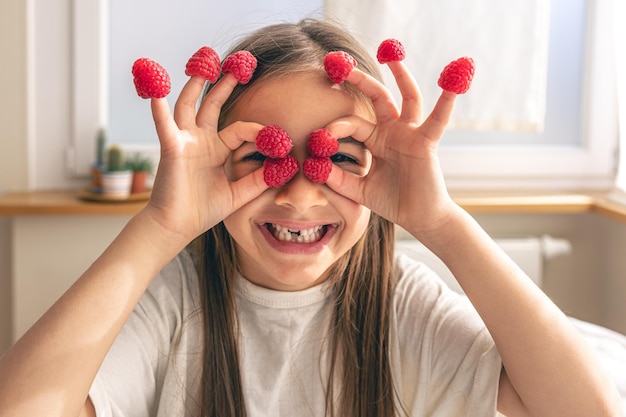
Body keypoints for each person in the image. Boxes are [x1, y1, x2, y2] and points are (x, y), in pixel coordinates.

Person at [0, 18, 621, 417]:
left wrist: (442, 223)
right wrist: (160, 227)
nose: (299, 197)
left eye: (336, 159)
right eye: (260, 158)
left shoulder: (404, 305)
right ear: (215, 167)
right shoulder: (174, 303)